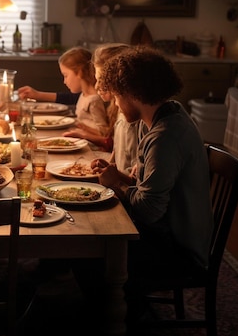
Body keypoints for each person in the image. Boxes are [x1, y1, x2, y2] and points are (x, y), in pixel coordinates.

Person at [91, 45, 213, 324]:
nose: (118, 105)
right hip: (167, 232)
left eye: (118, 96)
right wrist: (119, 177)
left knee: (90, 249)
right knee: (93, 229)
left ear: (132, 92)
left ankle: (117, 316)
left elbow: (148, 211)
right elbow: (151, 186)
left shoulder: (166, 136)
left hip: (179, 249)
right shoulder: (167, 114)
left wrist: (116, 186)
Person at [90, 43, 141, 175]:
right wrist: (109, 164)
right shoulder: (118, 110)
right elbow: (120, 154)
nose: (96, 87)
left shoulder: (134, 118)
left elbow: (137, 173)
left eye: (101, 80)